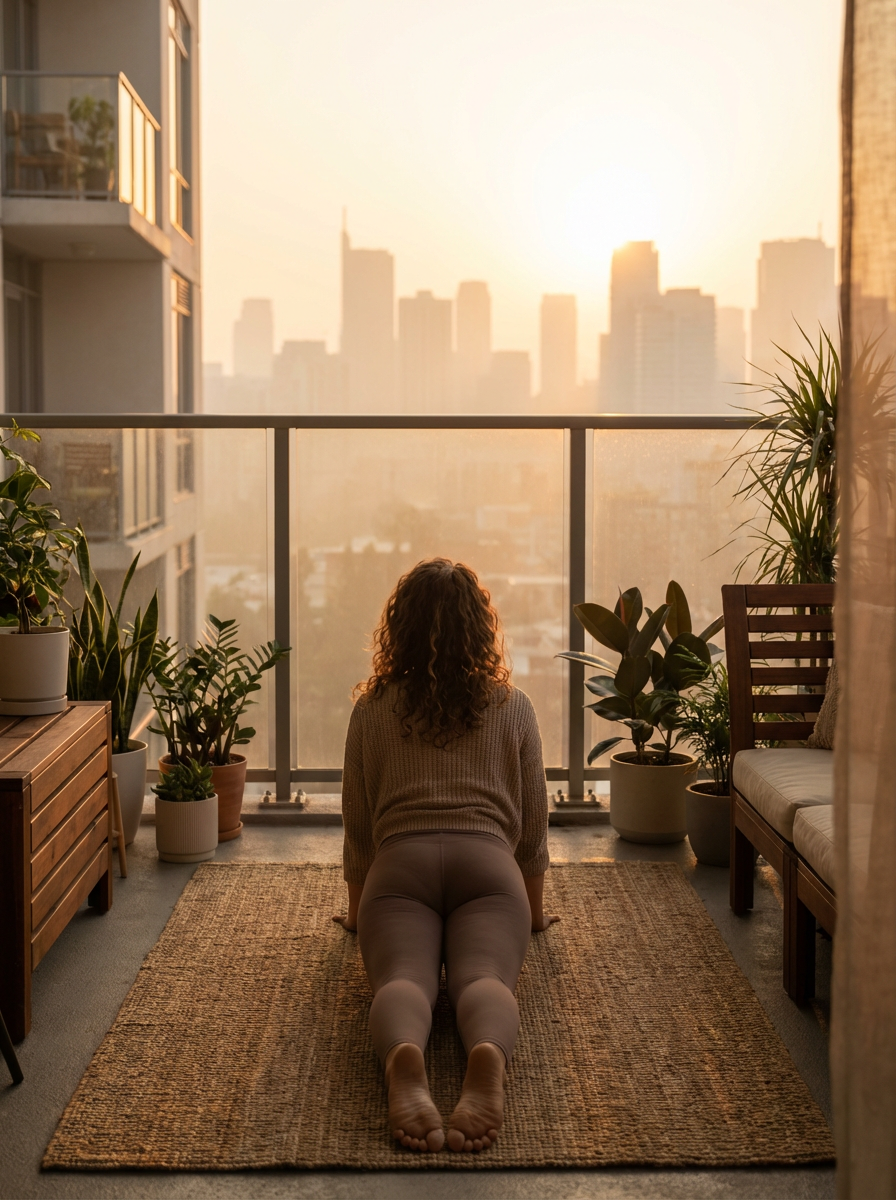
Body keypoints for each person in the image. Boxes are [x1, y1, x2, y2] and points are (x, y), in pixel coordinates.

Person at [333, 558, 558, 1154]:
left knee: (403, 978)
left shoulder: (372, 708)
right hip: (487, 867)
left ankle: (405, 1058)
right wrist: (531, 913)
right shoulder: (513, 706)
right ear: (482, 629)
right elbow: (533, 825)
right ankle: (485, 1055)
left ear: (397, 628)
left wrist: (359, 914)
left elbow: (358, 827)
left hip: (399, 867)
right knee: (483, 978)